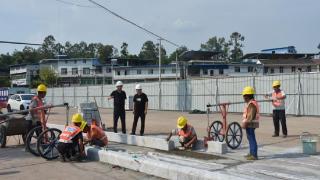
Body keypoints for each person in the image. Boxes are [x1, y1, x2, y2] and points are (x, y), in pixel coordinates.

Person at [241, 86, 260, 160]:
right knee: (250, 138)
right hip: (251, 123)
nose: (243, 98)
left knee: (252, 138)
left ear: (247, 96)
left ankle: (254, 155)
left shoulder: (252, 104)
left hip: (250, 123)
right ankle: (251, 153)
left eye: (244, 96)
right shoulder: (251, 103)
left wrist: (246, 123)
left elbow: (250, 115)